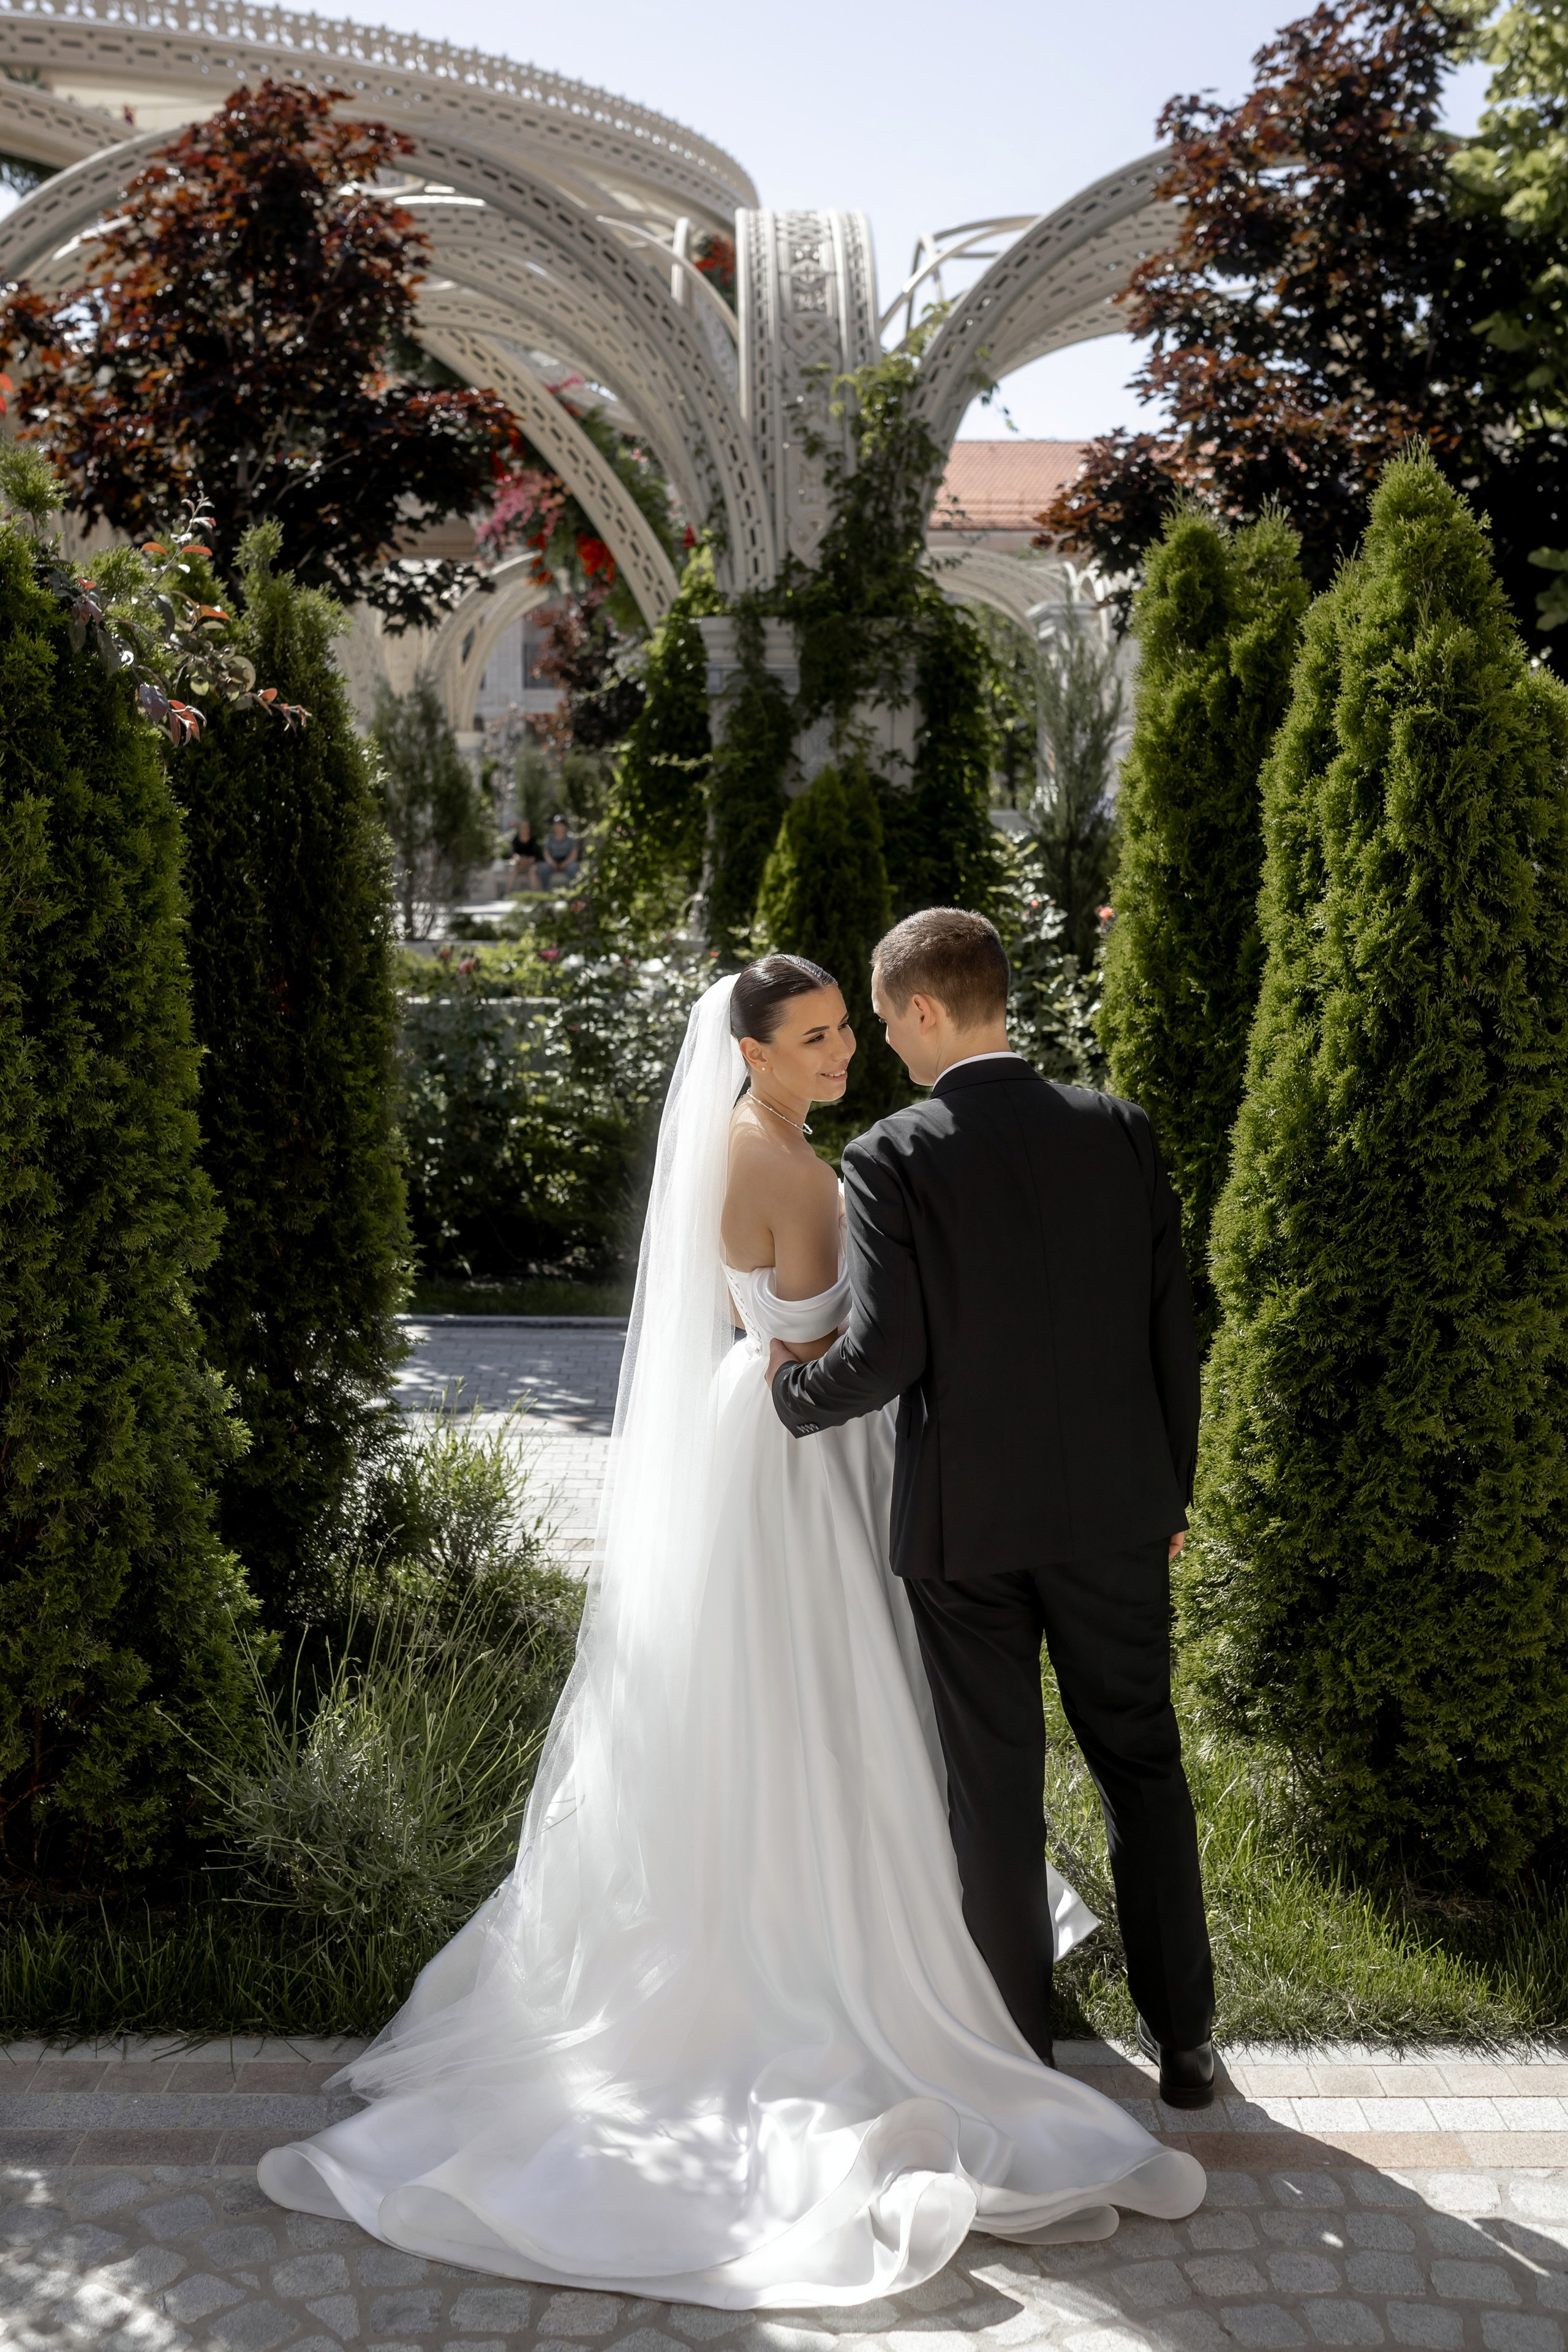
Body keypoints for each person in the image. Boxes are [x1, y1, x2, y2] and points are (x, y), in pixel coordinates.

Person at [256, 955, 1205, 2307]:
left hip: (780, 1435)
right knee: (890, 1714)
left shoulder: (787, 1150)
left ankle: (965, 1993)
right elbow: (903, 1346)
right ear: (749, 1051)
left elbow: (818, 1329)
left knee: (860, 1728)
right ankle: (1057, 2011)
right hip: (826, 1452)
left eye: (850, 1027)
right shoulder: (844, 1165)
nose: (847, 1053)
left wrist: (799, 1380)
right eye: (816, 1038)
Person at [769, 908, 1216, 2109]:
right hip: (1120, 1513)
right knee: (1142, 1765)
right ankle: (1184, 2049)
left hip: (967, 1530)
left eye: (880, 1016)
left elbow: (885, 1354)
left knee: (994, 1789)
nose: (879, 1041)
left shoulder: (893, 1155)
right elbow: (1171, 1323)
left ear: (923, 1008)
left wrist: (786, 1399)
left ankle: (1021, 2063)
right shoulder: (1117, 1131)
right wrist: (1167, 1490)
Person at [540, 812, 579, 888]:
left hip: (567, 861)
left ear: (564, 826)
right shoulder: (549, 838)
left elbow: (574, 854)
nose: (557, 827)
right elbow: (546, 853)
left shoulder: (570, 838)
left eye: (559, 825)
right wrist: (552, 863)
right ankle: (546, 891)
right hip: (554, 860)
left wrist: (565, 864)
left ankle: (574, 892)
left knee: (573, 869)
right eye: (555, 825)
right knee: (544, 869)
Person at [507, 816, 540, 892]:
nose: (524, 829)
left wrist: (527, 861)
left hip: (530, 864)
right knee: (512, 870)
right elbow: (514, 854)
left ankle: (535, 894)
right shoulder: (515, 840)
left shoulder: (533, 840)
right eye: (522, 827)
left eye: (526, 827)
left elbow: (534, 856)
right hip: (518, 864)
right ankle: (508, 893)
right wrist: (519, 860)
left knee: (533, 870)